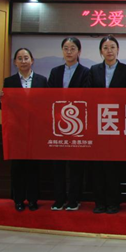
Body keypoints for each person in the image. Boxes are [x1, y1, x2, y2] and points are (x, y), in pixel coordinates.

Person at [86, 35, 126, 214]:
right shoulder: (94, 70)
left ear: (118, 50)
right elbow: (88, 95)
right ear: (101, 51)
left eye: (112, 47)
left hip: (117, 124)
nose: (109, 51)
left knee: (114, 166)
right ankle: (99, 202)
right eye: (105, 48)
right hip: (98, 124)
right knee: (97, 166)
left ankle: (114, 202)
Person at [0, 47, 48, 212]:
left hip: (35, 131)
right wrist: (0, 100)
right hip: (17, 132)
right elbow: (4, 107)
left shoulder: (42, 81)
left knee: (34, 167)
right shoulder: (9, 82)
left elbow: (46, 105)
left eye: (26, 58)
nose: (23, 61)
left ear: (32, 60)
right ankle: (18, 199)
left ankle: (33, 199)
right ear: (15, 62)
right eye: (20, 58)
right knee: (17, 167)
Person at [47, 37, 90, 211]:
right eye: (66, 48)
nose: (69, 51)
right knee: (58, 164)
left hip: (78, 124)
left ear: (79, 51)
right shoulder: (55, 72)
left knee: (75, 164)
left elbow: (86, 96)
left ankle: (74, 199)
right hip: (57, 123)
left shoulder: (86, 72)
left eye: (73, 48)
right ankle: (59, 199)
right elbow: (48, 96)